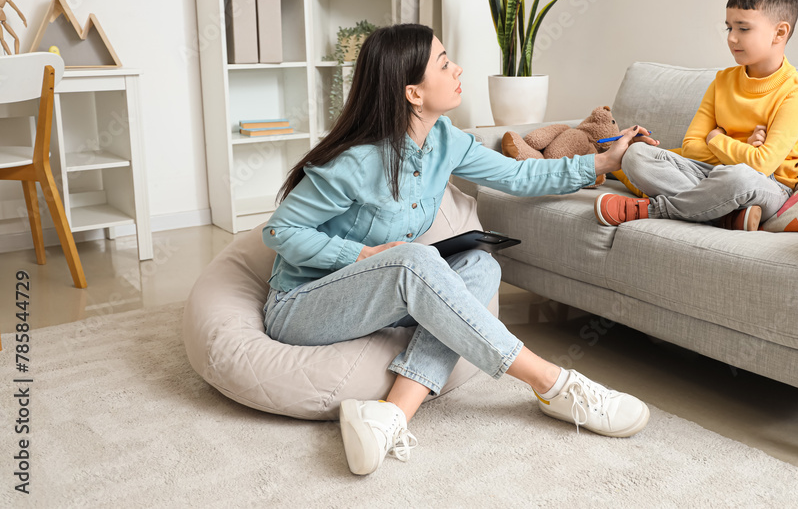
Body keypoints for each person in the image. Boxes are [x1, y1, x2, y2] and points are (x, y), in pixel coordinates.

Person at [262, 24, 657, 477]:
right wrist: (361, 256)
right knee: (415, 260)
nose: (458, 69)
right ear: (413, 92)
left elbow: (519, 176)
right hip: (303, 307)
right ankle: (553, 384)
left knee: (481, 264)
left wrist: (605, 161)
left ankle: (391, 415)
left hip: (378, 302)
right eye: (444, 63)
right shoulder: (357, 162)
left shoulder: (445, 139)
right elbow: (279, 231)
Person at [594, 0, 798, 231]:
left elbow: (762, 165)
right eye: (729, 28)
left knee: (738, 176)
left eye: (743, 29)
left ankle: (656, 209)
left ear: (780, 32)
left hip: (766, 186)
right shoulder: (722, 81)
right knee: (635, 155)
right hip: (708, 173)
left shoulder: (797, 93)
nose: (732, 38)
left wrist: (715, 139)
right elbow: (690, 148)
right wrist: (745, 149)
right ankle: (724, 215)